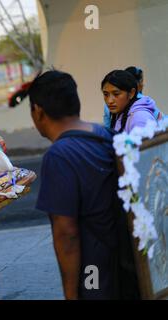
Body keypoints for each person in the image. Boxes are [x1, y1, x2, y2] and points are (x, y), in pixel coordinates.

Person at [29, 70, 139, 300]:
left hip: (94, 269)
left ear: (38, 112)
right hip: (127, 261)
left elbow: (66, 233)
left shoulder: (59, 156)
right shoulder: (105, 134)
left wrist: (71, 294)